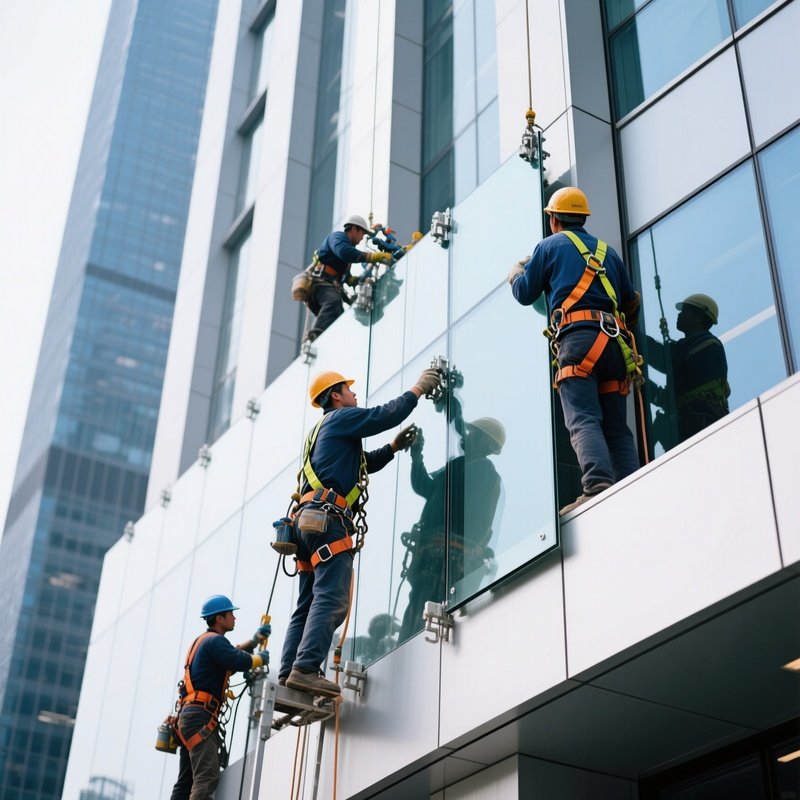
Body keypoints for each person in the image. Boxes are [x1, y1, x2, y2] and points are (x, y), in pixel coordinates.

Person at [279, 367, 441, 697]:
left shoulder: (322, 431)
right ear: (335, 395)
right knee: (331, 597)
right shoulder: (340, 419)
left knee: (307, 602)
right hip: (327, 521)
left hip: (306, 524)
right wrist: (418, 389)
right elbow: (386, 415)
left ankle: (288, 673)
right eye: (349, 391)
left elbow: (360, 463)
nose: (355, 395)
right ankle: (306, 668)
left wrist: (393, 448)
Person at [508, 186, 641, 515]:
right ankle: (631, 483)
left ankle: (597, 485)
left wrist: (515, 274)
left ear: (554, 219)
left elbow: (526, 293)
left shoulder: (548, 246)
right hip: (613, 345)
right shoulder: (609, 253)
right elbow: (630, 302)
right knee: (615, 425)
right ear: (583, 218)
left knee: (583, 418)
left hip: (579, 343)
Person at [398, 411, 505, 642]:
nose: (467, 435)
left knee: (425, 611)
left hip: (448, 559)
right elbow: (425, 488)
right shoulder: (458, 466)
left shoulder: (485, 473)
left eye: (473, 433)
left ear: (486, 443)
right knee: (416, 610)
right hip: (434, 555)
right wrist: (417, 455)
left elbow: (466, 513)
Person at [170, 595, 270, 800]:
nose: (234, 617)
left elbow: (229, 656)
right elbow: (235, 659)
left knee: (187, 779)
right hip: (200, 717)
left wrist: (253, 641)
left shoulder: (204, 642)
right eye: (230, 614)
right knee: (206, 777)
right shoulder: (215, 641)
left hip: (191, 717)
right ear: (219, 619)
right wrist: (258, 659)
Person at [646, 293, 729, 449]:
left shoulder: (708, 344)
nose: (679, 314)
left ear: (698, 317)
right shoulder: (692, 347)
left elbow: (663, 358)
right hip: (694, 421)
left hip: (698, 423)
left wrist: (632, 334)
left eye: (685, 311)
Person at [303, 215, 392, 344]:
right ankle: (314, 337)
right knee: (333, 301)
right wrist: (372, 257)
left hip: (329, 285)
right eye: (362, 233)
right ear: (354, 229)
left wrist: (353, 281)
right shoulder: (338, 237)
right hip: (320, 284)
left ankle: (326, 343)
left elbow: (345, 277)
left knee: (338, 316)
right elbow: (344, 252)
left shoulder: (349, 249)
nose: (362, 238)